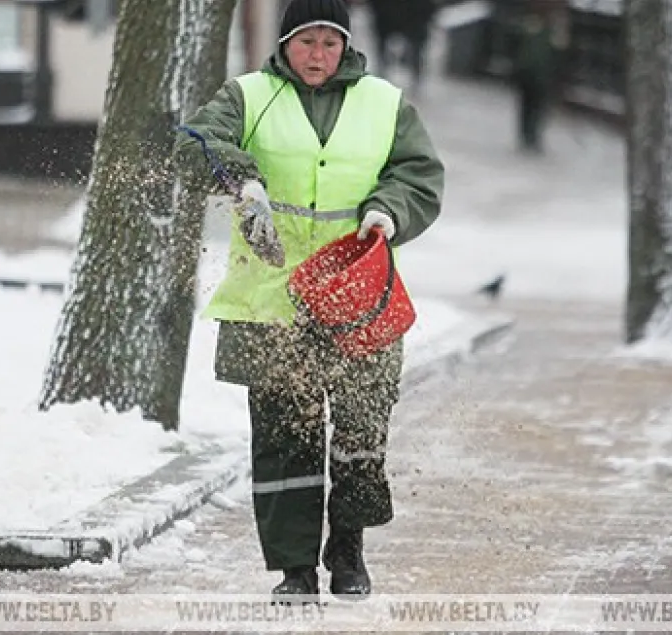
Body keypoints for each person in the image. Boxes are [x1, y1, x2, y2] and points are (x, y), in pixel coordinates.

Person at [175, 0, 444, 601]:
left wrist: (386, 212)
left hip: (358, 299)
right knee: (284, 440)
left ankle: (349, 550)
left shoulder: (384, 102)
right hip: (272, 302)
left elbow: (418, 176)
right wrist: (244, 184)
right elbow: (195, 143)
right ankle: (295, 568)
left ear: (345, 45)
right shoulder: (247, 95)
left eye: (330, 43)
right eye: (306, 43)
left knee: (360, 434)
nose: (318, 56)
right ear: (284, 43)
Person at [510, 1, 566, 153]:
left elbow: (559, 52)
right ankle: (528, 135)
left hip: (540, 73)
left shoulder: (552, 27)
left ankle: (531, 135)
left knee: (535, 106)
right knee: (529, 105)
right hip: (531, 72)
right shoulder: (532, 24)